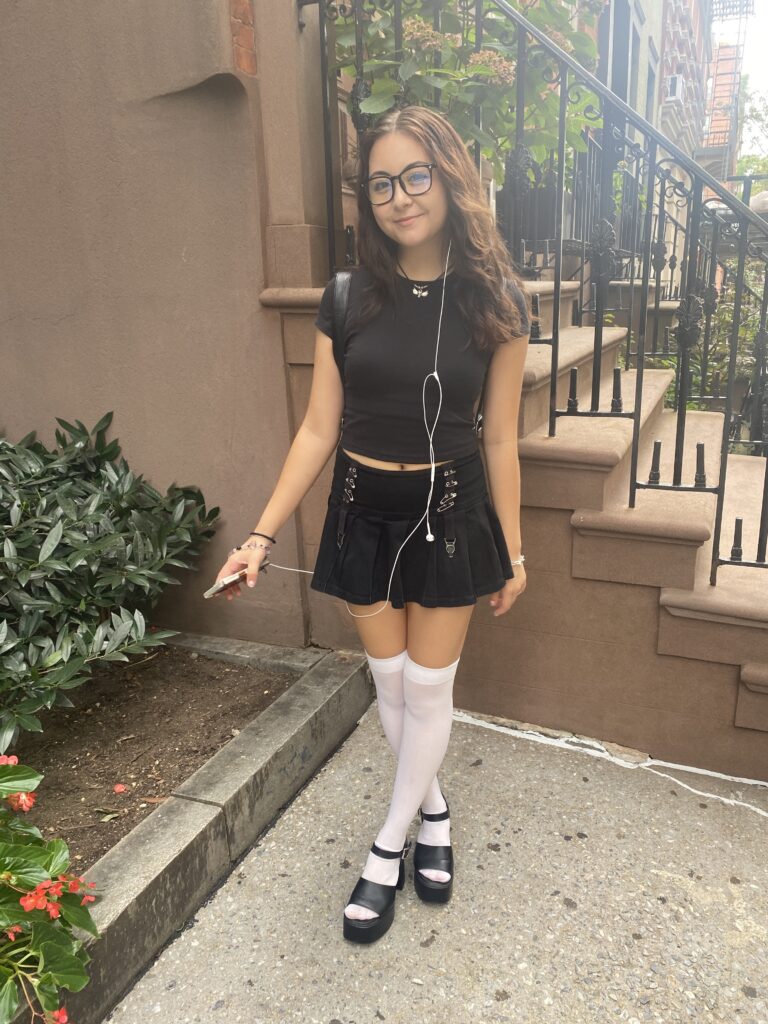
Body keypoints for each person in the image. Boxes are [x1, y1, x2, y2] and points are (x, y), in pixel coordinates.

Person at [213, 105, 530, 944]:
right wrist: (261, 535)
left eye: (415, 175)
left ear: (450, 179)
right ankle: (433, 812)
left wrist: (516, 548)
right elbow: (319, 428)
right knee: (389, 687)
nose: (399, 197)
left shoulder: (497, 301)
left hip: (452, 511)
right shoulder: (347, 297)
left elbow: (499, 435)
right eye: (382, 182)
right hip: (361, 510)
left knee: (428, 690)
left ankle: (386, 849)